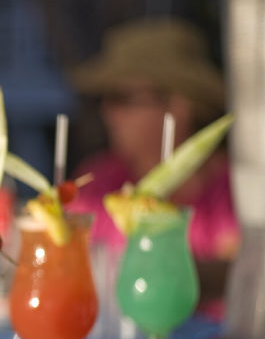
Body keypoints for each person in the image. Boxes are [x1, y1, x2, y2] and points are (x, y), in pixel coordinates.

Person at [66, 17, 238, 305]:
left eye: (122, 98)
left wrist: (159, 270)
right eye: (105, 98)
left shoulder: (231, 190)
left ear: (179, 106)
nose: (109, 112)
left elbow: (246, 270)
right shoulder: (95, 181)